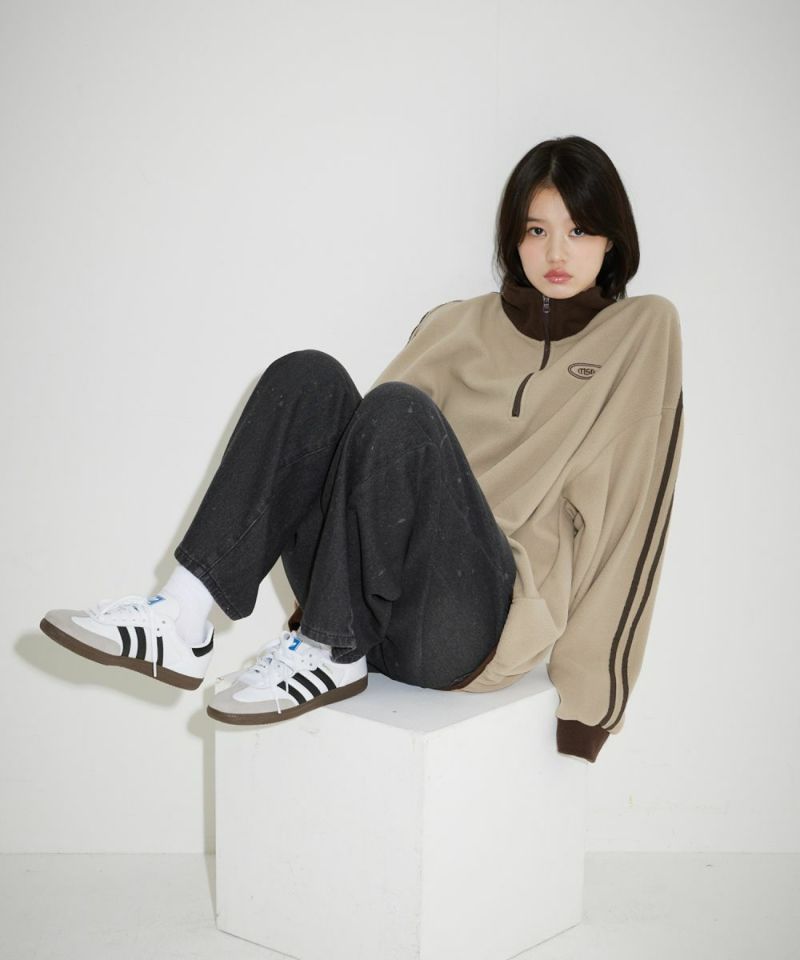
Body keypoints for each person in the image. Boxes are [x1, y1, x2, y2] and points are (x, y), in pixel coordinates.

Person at [40, 135, 684, 763]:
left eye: (579, 229)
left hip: (475, 625)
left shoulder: (639, 331)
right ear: (513, 239)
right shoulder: (454, 324)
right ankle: (184, 616)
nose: (556, 252)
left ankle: (332, 648)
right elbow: (359, 463)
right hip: (371, 611)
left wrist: (591, 710)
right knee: (308, 377)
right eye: (537, 230)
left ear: (612, 238)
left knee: (398, 410)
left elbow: (633, 523)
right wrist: (323, 602)